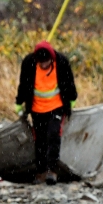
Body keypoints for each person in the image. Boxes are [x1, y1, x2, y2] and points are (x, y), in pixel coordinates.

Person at [15, 41, 78, 185]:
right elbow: (24, 84)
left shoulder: (61, 62)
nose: (44, 65)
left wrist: (72, 99)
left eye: (46, 62)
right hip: (37, 108)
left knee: (53, 135)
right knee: (40, 140)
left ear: (52, 58)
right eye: (41, 63)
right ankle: (41, 171)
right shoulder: (29, 62)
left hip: (57, 106)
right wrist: (19, 102)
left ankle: (52, 171)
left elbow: (69, 82)